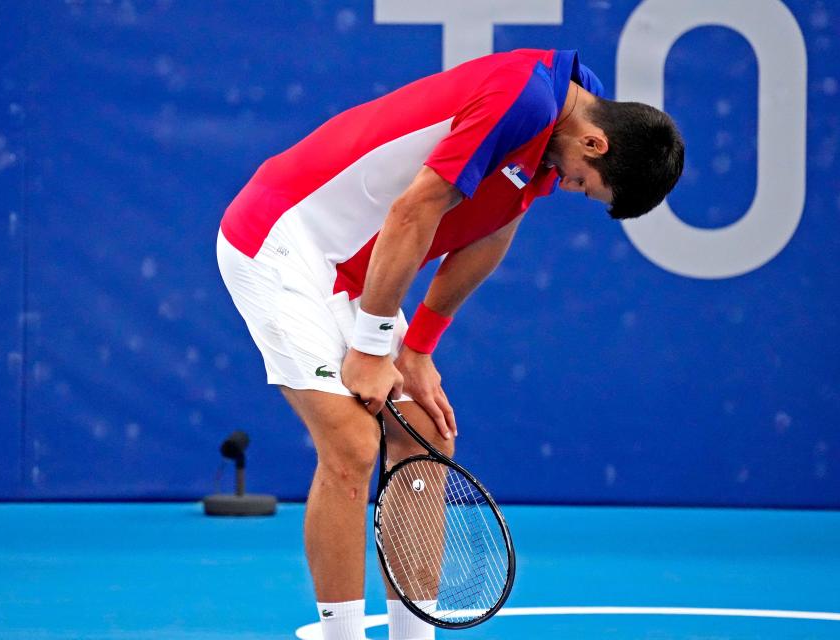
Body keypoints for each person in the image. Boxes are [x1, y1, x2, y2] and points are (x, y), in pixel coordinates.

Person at [217, 48, 684, 640]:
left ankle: (414, 636)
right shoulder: (527, 99)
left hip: (359, 267)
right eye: (585, 185)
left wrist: (416, 349)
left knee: (429, 434)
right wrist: (372, 344)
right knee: (353, 443)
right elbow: (413, 211)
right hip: (281, 235)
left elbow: (496, 228)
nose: (570, 189)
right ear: (595, 144)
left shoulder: (570, 112)